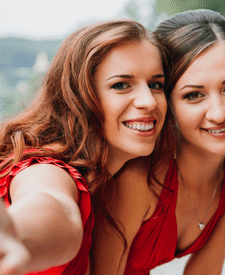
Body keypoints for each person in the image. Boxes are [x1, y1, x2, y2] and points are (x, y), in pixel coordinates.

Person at [91, 10, 225, 275]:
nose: (219, 113)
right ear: (165, 101)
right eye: (193, 95)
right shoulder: (137, 179)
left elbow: (205, 270)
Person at [0, 19, 168, 275]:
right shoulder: (47, 169)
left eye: (156, 84)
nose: (148, 101)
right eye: (121, 85)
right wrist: (17, 235)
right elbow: (55, 206)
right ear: (79, 96)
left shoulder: (122, 179)